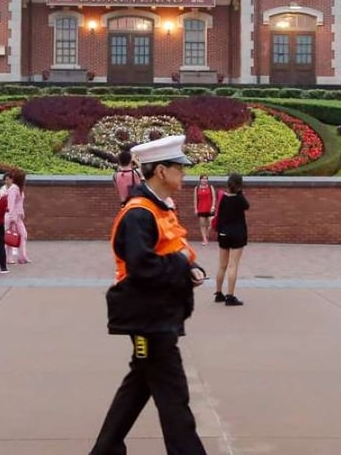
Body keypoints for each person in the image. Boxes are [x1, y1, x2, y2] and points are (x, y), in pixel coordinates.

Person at [90, 134, 208, 455]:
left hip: (156, 314)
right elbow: (142, 265)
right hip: (148, 318)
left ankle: (105, 449)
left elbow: (171, 250)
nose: (184, 173)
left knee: (139, 384)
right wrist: (181, 265)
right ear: (161, 171)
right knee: (173, 394)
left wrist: (190, 267)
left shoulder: (159, 208)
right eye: (179, 167)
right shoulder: (139, 213)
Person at [213, 172, 249, 306]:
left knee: (222, 265)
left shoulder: (222, 197)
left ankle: (218, 293)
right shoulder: (239, 199)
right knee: (233, 265)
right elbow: (247, 206)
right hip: (237, 234)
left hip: (223, 233)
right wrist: (240, 193)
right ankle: (230, 296)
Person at [5, 169, 30, 264]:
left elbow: (19, 203)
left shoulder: (19, 189)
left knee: (23, 234)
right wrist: (12, 218)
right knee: (10, 237)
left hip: (18, 216)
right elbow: (10, 204)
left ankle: (22, 256)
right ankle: (9, 257)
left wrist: (21, 213)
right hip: (12, 217)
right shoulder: (13, 189)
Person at [193, 174, 217, 246]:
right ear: (200, 180)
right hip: (201, 209)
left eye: (206, 179)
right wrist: (195, 209)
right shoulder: (197, 188)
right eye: (203, 179)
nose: (204, 180)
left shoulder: (210, 187)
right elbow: (195, 199)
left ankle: (207, 235)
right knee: (202, 225)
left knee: (211, 223)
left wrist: (213, 206)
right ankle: (204, 240)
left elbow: (214, 197)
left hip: (210, 208)